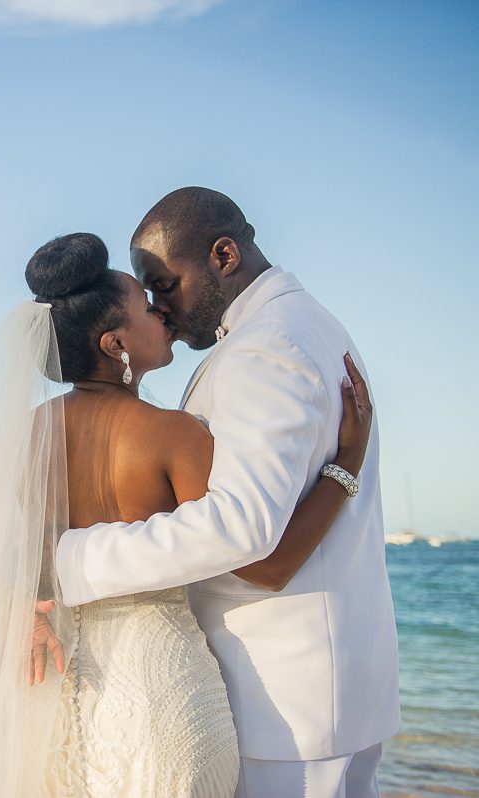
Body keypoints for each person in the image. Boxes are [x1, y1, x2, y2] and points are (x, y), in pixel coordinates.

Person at [0, 224, 371, 797]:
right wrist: (346, 463)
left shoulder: (31, 433)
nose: (161, 312)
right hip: (160, 689)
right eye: (145, 307)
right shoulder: (176, 436)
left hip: (52, 684)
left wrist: (8, 603)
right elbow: (263, 563)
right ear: (115, 345)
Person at [54, 188, 401, 797]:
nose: (160, 308)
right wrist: (345, 467)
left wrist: (69, 559)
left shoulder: (266, 347)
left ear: (224, 255)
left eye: (165, 285)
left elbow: (245, 534)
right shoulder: (300, 326)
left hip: (286, 703)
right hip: (320, 691)